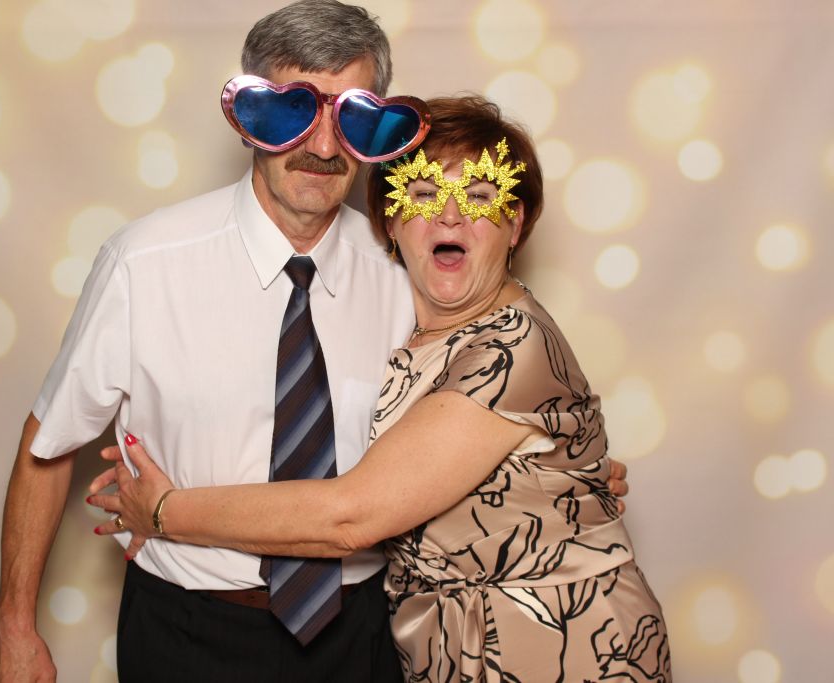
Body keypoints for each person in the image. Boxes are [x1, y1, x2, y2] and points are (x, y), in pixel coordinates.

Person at [0, 1, 628, 680]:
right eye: (295, 111)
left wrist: (556, 475)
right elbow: (48, 444)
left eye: (349, 118)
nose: (322, 148)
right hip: (187, 629)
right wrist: (14, 626)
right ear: (249, 118)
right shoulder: (144, 264)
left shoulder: (405, 270)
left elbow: (480, 406)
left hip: (364, 631)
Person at [88, 95, 669, 682]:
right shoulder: (400, 323)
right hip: (445, 652)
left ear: (515, 223)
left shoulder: (512, 348)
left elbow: (351, 517)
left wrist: (162, 510)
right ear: (390, 221)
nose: (450, 217)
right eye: (424, 193)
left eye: (479, 196)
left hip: (563, 649)